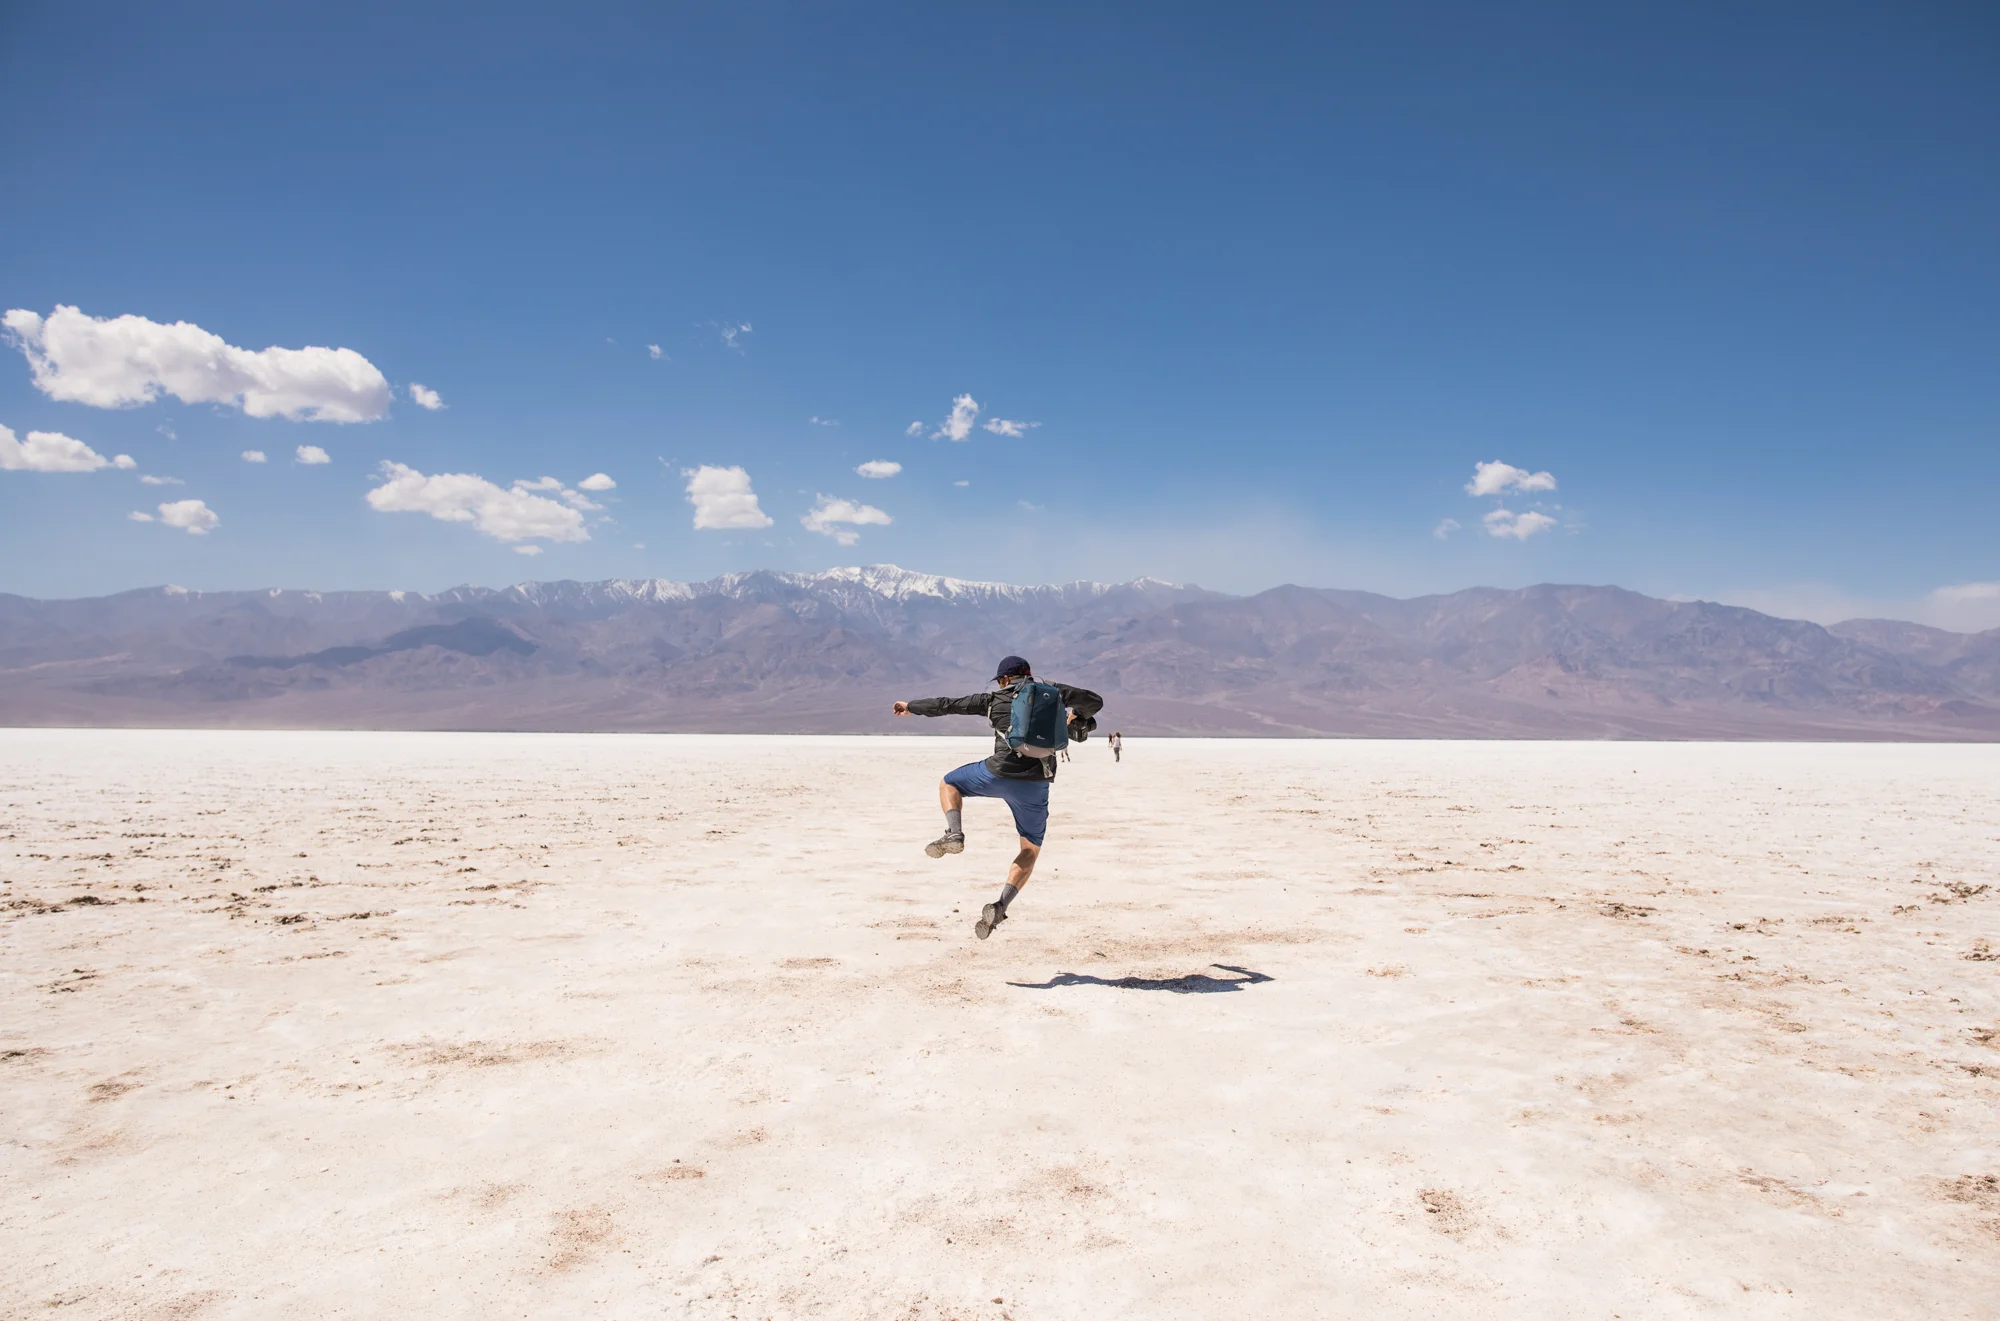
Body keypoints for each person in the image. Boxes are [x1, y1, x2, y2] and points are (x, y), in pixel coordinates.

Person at [893, 655, 1104, 939]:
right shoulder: (1055, 693)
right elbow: (1095, 702)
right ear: (1028, 674)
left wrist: (911, 707)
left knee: (949, 783)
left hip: (998, 773)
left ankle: (954, 833)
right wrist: (1076, 715)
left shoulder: (991, 699)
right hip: (1036, 782)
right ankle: (1000, 905)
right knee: (1030, 849)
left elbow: (947, 705)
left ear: (1004, 680)